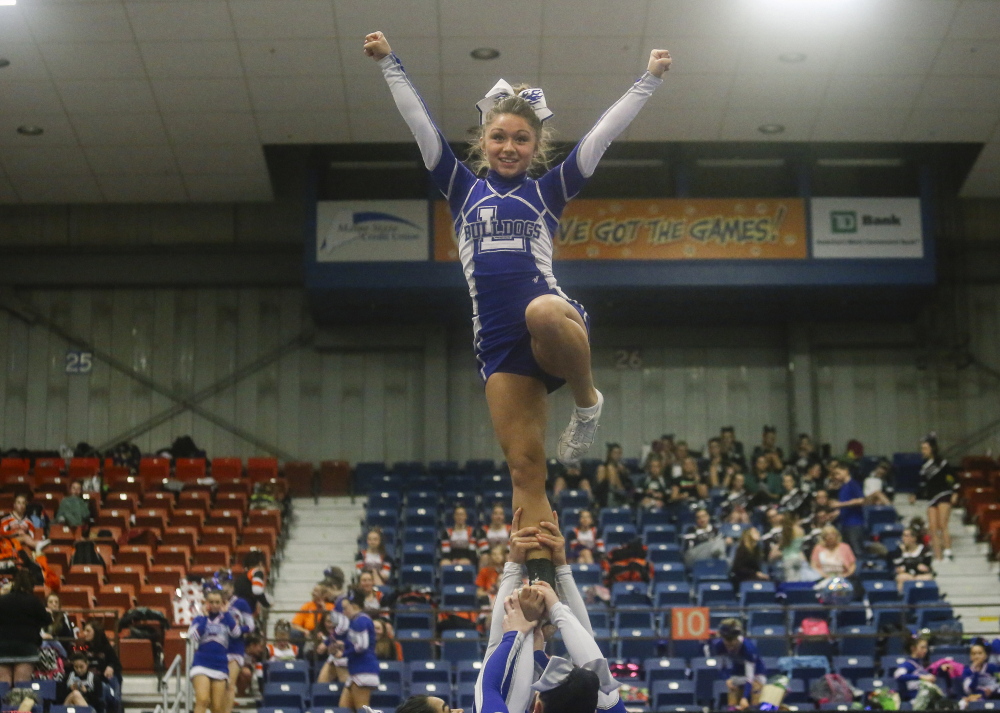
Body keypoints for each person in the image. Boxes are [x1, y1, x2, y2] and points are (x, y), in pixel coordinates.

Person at [367, 28, 671, 586]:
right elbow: (420, 125)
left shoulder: (547, 192)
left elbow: (602, 135)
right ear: (484, 143)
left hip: (554, 326)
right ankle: (543, 578)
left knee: (540, 311)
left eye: (522, 140)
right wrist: (390, 62)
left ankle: (587, 401)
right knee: (525, 469)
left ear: (537, 147)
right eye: (500, 137)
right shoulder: (460, 189)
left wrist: (647, 79)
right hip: (498, 343)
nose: (510, 147)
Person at [188, 588, 241, 713]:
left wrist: (226, 613)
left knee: (217, 707)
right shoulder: (199, 619)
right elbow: (193, 637)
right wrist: (205, 619)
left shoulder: (227, 619)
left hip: (220, 665)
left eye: (218, 602)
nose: (215, 605)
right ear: (206, 602)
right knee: (202, 700)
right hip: (201, 663)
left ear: (222, 603)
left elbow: (237, 633)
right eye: (211, 602)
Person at [330, 587, 380, 712]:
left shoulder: (360, 621)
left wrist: (344, 653)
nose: (344, 612)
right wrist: (343, 645)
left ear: (354, 606)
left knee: (362, 709)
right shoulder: (356, 621)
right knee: (344, 708)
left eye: (346, 608)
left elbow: (361, 646)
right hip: (356, 670)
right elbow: (356, 644)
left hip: (364, 669)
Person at [0, 569, 51, 685]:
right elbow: (47, 620)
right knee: (21, 685)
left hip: (3, 647)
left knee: (3, 685)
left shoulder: (2, 600)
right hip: (26, 647)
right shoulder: (33, 601)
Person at [708, 618, 767, 710]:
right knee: (732, 686)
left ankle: (755, 708)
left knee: (755, 688)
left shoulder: (748, 649)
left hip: (757, 674)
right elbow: (721, 667)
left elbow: (749, 678)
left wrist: (744, 698)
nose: (729, 643)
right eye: (726, 640)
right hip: (738, 674)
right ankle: (732, 709)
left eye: (732, 640)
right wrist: (727, 679)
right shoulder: (719, 646)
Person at [916, 433, 958, 560]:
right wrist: (916, 494)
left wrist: (955, 492)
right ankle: (938, 556)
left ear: (932, 449)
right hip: (931, 497)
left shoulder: (942, 463)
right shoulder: (924, 466)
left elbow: (954, 478)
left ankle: (948, 552)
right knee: (933, 528)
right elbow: (923, 484)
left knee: (943, 524)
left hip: (944, 494)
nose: (923, 451)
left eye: (925, 448)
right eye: (922, 448)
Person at [77, 620, 122, 711]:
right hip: (90, 680)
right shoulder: (84, 647)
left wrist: (111, 666)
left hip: (105, 680)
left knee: (106, 685)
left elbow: (118, 665)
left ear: (96, 632)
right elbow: (75, 654)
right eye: (84, 631)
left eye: (88, 631)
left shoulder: (106, 648)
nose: (85, 633)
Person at [830, 464, 866, 556]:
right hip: (844, 524)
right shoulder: (843, 487)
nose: (836, 476)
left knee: (856, 551)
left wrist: (840, 504)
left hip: (854, 524)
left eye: (838, 473)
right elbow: (845, 506)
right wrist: (836, 513)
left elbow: (861, 500)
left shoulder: (853, 484)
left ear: (846, 471)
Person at [893, 635, 936, 702]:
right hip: (913, 699)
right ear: (913, 648)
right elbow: (898, 675)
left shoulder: (920, 664)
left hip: (924, 697)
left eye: (926, 648)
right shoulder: (908, 664)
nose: (925, 650)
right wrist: (921, 677)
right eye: (922, 647)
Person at [892, 527, 934, 593]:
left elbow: (925, 567)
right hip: (906, 575)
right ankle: (901, 598)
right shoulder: (899, 550)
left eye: (906, 536)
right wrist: (915, 565)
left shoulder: (924, 550)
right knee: (901, 577)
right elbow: (898, 566)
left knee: (927, 577)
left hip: (920, 575)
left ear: (914, 538)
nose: (903, 538)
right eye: (903, 535)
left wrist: (907, 566)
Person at [962, 638, 1000, 703]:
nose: (977, 656)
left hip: (994, 698)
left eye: (980, 653)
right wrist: (976, 672)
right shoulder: (967, 671)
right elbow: (969, 689)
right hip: (975, 699)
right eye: (974, 654)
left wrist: (992, 691)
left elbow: (998, 684)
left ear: (985, 655)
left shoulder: (992, 668)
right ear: (970, 657)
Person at [595, 443, 631, 508]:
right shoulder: (603, 467)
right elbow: (599, 486)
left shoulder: (622, 467)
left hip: (621, 493)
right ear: (610, 454)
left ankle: (614, 496)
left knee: (611, 468)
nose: (617, 455)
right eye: (615, 453)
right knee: (606, 468)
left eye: (619, 453)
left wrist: (622, 471)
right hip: (604, 493)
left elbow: (628, 482)